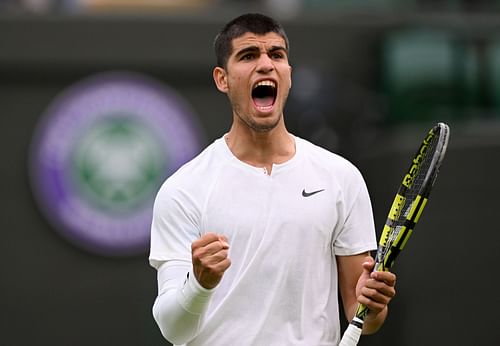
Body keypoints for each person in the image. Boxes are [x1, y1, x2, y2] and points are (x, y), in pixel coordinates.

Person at [149, 13, 396, 346]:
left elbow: (361, 314)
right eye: (249, 55)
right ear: (222, 79)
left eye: (276, 55)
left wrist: (374, 307)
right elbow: (173, 329)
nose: (265, 64)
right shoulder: (184, 190)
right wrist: (199, 284)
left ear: (288, 76)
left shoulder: (342, 178)